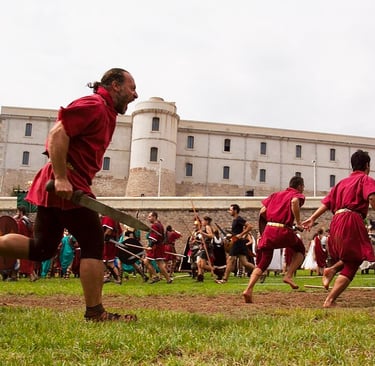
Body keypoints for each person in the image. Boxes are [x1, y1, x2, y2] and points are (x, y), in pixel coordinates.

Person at [0, 68, 138, 321]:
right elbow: (57, 134)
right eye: (132, 87)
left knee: (42, 249)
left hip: (64, 182)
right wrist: (62, 178)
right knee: (94, 243)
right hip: (65, 183)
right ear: (116, 85)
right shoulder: (94, 104)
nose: (135, 94)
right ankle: (95, 313)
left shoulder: (106, 112)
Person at [302, 150, 375, 308]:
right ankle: (330, 299)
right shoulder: (365, 179)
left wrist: (313, 217)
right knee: (356, 259)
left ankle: (332, 270)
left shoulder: (341, 183)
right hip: (352, 219)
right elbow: (372, 197)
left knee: (353, 255)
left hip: (336, 221)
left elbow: (327, 203)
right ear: (367, 165)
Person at [242, 176, 306, 303]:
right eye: (303, 187)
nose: (303, 189)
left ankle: (248, 290)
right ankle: (288, 275)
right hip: (283, 231)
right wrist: (298, 223)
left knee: (263, 262)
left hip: (269, 230)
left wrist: (270, 223)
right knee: (300, 249)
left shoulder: (275, 195)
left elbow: (262, 211)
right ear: (299, 186)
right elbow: (294, 202)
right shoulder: (297, 195)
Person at [216, 204, 255, 284]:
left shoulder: (238, 219)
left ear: (235, 210)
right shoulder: (235, 220)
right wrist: (231, 235)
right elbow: (236, 232)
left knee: (230, 259)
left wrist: (240, 235)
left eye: (230, 210)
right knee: (245, 263)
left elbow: (250, 227)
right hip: (237, 242)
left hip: (238, 243)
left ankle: (224, 279)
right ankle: (260, 272)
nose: (229, 211)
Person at [143, 211, 172, 284]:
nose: (148, 218)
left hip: (156, 247)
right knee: (159, 264)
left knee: (146, 261)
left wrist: (150, 246)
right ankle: (168, 279)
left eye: (150, 217)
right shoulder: (160, 225)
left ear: (154, 217)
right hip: (159, 246)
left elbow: (154, 238)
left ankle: (156, 277)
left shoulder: (155, 226)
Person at [13, 206, 38, 281]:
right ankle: (34, 275)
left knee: (25, 261)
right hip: (30, 242)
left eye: (18, 211)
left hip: (24, 242)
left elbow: (20, 232)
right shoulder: (27, 220)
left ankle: (31, 276)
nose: (17, 213)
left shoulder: (22, 221)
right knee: (29, 260)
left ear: (20, 212)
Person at [102, 216, 122, 284]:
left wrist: (103, 239)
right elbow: (120, 232)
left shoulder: (108, 217)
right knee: (106, 262)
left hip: (108, 243)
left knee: (109, 262)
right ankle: (108, 276)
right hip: (110, 243)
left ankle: (115, 278)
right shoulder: (115, 219)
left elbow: (109, 231)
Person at [196, 216, 214, 282]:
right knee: (198, 263)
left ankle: (216, 270)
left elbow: (211, 236)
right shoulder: (205, 227)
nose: (202, 222)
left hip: (207, 246)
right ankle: (200, 277)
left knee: (202, 265)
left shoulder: (207, 227)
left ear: (207, 221)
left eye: (203, 221)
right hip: (204, 245)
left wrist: (202, 233)